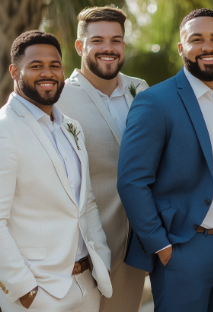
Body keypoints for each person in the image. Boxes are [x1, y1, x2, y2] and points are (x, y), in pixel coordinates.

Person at [117, 8, 213, 312]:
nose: (207, 47)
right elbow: (132, 181)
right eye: (196, 39)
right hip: (183, 248)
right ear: (181, 47)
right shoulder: (156, 101)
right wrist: (161, 245)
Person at [0, 30, 111, 312]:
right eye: (36, 66)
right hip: (39, 293)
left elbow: (85, 203)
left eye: (54, 65)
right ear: (15, 71)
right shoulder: (4, 130)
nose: (47, 73)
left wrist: (101, 262)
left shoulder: (70, 127)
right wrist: (26, 292)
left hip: (87, 284)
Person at [57, 6, 148, 312]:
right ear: (80, 46)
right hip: (80, 251)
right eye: (98, 41)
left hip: (135, 248)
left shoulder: (142, 91)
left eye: (116, 40)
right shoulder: (57, 99)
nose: (108, 48)